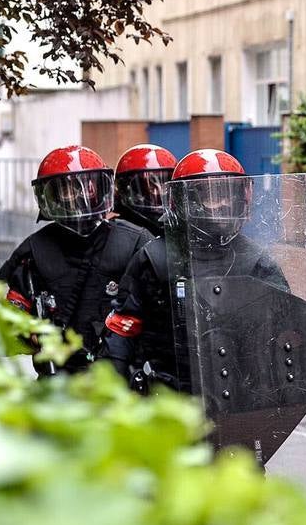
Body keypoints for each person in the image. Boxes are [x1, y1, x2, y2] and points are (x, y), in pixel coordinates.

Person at [102, 149, 281, 395]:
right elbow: (122, 333)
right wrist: (112, 391)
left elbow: (287, 327)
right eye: (212, 195)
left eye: (229, 194)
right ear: (187, 200)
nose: (223, 203)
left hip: (240, 400)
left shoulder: (257, 260)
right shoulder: (155, 258)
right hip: (168, 399)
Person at [0, 145, 151, 374]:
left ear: (101, 187)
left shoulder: (135, 243)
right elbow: (8, 327)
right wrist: (31, 334)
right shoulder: (35, 251)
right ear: (50, 196)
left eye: (86, 186)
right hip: (59, 387)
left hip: (122, 385)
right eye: (68, 189)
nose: (79, 196)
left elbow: (162, 318)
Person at [113, 144, 177, 235]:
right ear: (125, 189)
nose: (158, 191)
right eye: (149, 185)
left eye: (165, 182)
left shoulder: (182, 228)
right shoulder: (115, 233)